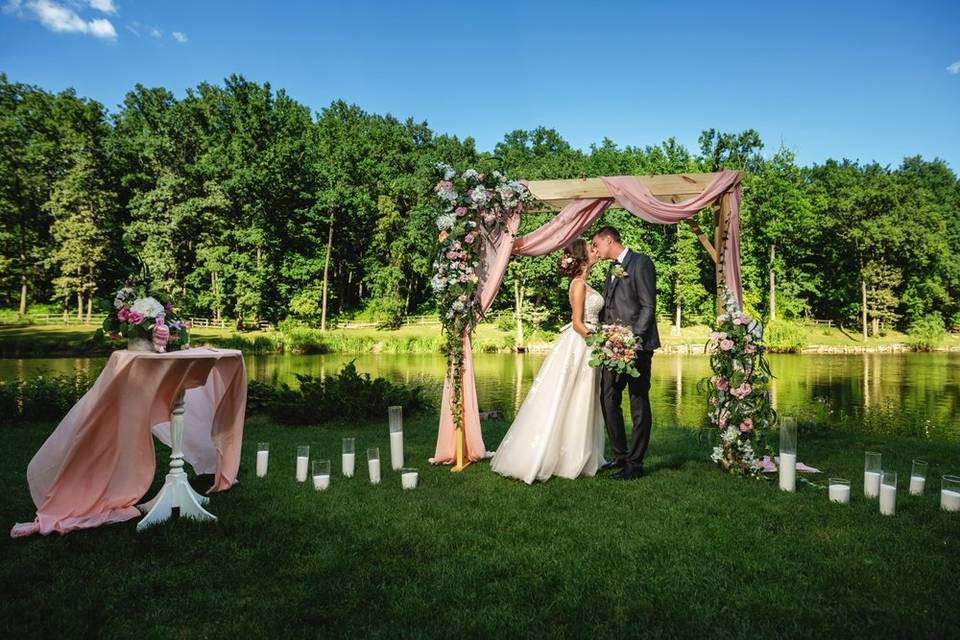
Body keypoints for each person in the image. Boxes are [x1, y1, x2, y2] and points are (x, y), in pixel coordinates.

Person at [490, 239, 606, 484]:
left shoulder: (585, 282)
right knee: (570, 396)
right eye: (590, 249)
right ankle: (559, 456)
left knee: (582, 398)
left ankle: (579, 454)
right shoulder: (578, 285)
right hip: (581, 344)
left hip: (588, 346)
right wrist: (602, 341)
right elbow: (577, 324)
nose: (595, 252)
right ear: (582, 258)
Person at [591, 226, 660, 480]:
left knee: (638, 402)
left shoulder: (641, 262)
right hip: (612, 345)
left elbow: (647, 306)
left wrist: (633, 340)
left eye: (597, 245)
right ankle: (620, 456)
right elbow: (609, 307)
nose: (595, 251)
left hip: (637, 346)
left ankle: (635, 463)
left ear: (610, 240)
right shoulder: (611, 269)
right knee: (607, 398)